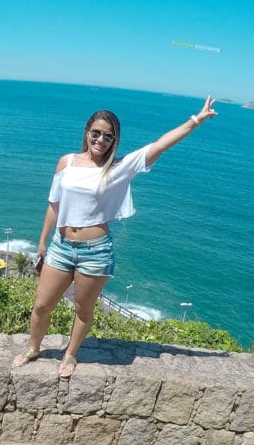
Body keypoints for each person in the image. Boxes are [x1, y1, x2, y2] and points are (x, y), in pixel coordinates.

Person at [12, 96, 218, 377]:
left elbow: (161, 144)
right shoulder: (66, 163)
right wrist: (41, 243)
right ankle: (33, 348)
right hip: (60, 246)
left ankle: (71, 353)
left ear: (114, 140)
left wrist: (196, 120)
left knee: (83, 309)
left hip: (95, 251)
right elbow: (54, 205)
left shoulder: (120, 168)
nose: (100, 140)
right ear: (87, 132)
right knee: (41, 304)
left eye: (108, 136)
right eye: (96, 133)